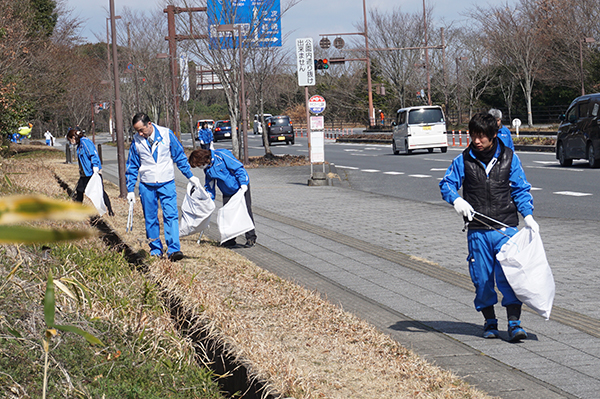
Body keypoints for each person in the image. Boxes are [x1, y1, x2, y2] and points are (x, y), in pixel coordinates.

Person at [439, 112, 538, 342]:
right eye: (473, 136)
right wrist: (456, 200)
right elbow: (447, 184)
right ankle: (490, 322)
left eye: (482, 136)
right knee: (482, 278)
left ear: (494, 135)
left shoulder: (510, 158)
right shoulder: (463, 160)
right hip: (478, 231)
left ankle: (514, 323)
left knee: (510, 276)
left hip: (506, 228)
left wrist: (529, 216)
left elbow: (520, 189)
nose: (476, 141)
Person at [126, 112, 201, 261]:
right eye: (137, 131)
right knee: (150, 218)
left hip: (166, 182)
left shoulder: (167, 135)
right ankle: (155, 249)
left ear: (149, 124)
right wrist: (130, 189)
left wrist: (190, 176)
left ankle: (174, 250)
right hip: (147, 184)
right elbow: (132, 166)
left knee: (171, 215)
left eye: (142, 130)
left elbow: (179, 156)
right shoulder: (136, 142)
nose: (140, 133)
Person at [188, 148, 257, 248]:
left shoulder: (221, 155)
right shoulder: (207, 169)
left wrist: (243, 184)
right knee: (228, 214)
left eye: (199, 165)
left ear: (204, 159)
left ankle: (251, 238)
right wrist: (209, 197)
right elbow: (210, 183)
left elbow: (238, 168)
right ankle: (230, 239)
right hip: (226, 191)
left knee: (245, 211)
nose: (200, 167)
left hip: (240, 187)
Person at [66, 129, 114, 216]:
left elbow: (93, 154)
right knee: (79, 190)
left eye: (70, 140)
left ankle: (110, 210)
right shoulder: (79, 145)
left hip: (92, 171)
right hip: (85, 173)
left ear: (73, 137)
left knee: (100, 191)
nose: (71, 142)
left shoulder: (85, 142)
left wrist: (95, 166)